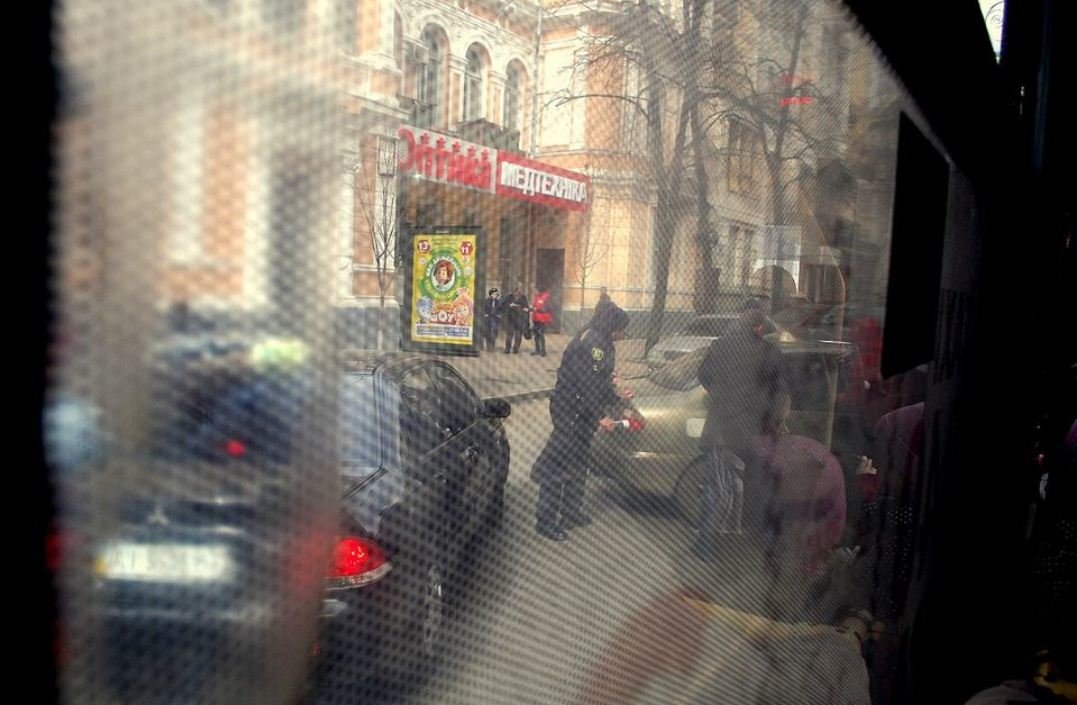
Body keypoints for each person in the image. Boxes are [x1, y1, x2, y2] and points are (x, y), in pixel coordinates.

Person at [531, 304, 633, 541]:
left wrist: (617, 397)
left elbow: (600, 382)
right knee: (559, 466)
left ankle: (571, 511)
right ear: (612, 325)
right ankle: (545, 521)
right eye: (622, 329)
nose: (623, 334)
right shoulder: (592, 342)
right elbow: (586, 384)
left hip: (583, 412)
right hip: (570, 410)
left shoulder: (603, 341)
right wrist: (600, 416)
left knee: (578, 463)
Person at [694, 301, 788, 552]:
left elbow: (703, 375)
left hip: (721, 430)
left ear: (739, 322)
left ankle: (705, 544)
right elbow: (781, 393)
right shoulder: (770, 352)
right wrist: (772, 419)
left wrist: (721, 395)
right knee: (762, 486)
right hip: (755, 432)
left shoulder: (719, 346)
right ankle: (766, 541)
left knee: (716, 487)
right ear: (760, 328)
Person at [502, 284, 529, 354]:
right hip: (511, 318)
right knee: (509, 334)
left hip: (520, 318)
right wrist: (509, 305)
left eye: (517, 291)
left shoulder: (523, 297)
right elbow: (503, 304)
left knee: (518, 335)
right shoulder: (509, 297)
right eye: (514, 292)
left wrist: (523, 310)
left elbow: (526, 306)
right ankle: (507, 348)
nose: (515, 293)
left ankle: (516, 349)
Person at [530, 285, 553, 357]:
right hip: (536, 318)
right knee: (536, 335)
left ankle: (543, 350)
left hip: (542, 319)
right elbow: (535, 305)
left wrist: (538, 309)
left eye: (535, 290)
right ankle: (537, 350)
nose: (534, 291)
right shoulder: (537, 297)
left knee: (541, 334)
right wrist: (532, 308)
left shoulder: (547, 297)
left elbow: (548, 308)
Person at [481, 288, 501, 352]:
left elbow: (500, 309)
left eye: (496, 294)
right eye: (494, 294)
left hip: (495, 318)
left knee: (494, 333)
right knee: (488, 333)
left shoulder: (498, 302)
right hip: (488, 318)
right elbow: (483, 308)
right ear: (491, 294)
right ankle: (488, 346)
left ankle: (492, 347)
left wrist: (499, 314)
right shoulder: (486, 301)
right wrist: (485, 314)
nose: (495, 295)